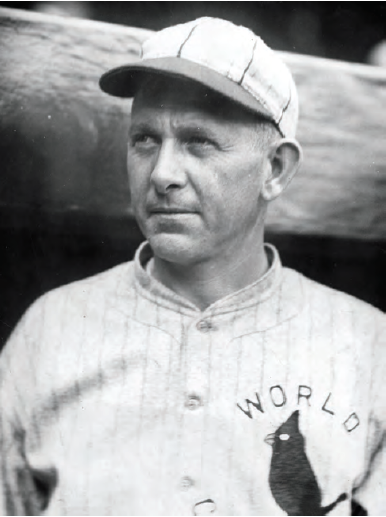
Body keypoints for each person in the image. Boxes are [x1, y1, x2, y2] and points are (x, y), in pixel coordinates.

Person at [0, 16, 385, 516]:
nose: (162, 173)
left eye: (198, 141)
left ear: (275, 169)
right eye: (144, 140)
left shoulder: (370, 347)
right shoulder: (51, 329)